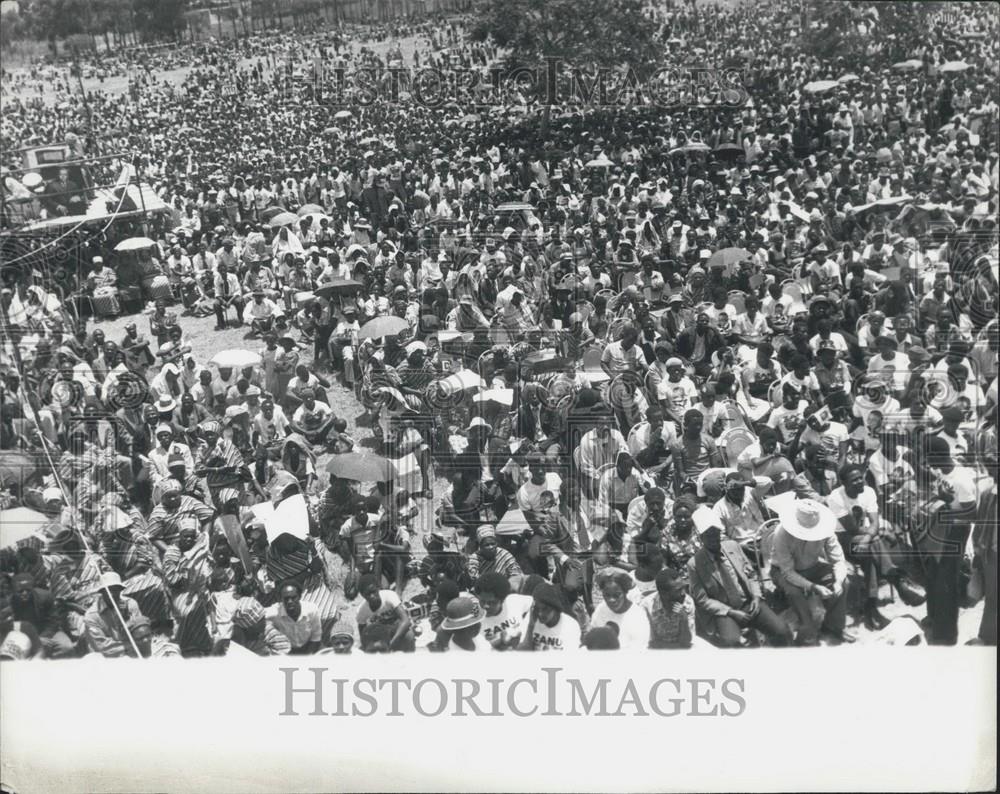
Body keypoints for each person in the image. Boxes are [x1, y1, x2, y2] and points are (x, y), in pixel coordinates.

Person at [688, 506, 792, 648]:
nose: (713, 538)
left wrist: (756, 597)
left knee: (781, 630)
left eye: (715, 533)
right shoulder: (695, 564)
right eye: (708, 535)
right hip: (726, 612)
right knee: (733, 642)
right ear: (701, 538)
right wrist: (731, 612)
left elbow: (751, 575)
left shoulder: (733, 546)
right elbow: (703, 599)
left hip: (749, 603)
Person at [770, 498, 854, 646]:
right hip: (782, 570)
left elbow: (838, 560)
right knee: (794, 592)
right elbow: (788, 572)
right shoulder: (781, 534)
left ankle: (833, 626)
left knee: (844, 583)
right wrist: (814, 587)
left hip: (813, 566)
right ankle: (808, 629)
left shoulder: (826, 529)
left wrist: (838, 581)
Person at [589, 568, 651, 650]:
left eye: (617, 595)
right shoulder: (601, 609)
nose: (611, 600)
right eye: (607, 595)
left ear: (625, 592)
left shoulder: (638, 616)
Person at [355, 574, 414, 652]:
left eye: (373, 591)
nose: (372, 596)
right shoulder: (362, 610)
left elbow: (405, 621)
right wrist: (365, 644)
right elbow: (362, 630)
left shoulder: (389, 596)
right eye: (368, 594)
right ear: (362, 595)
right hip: (379, 634)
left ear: (378, 588)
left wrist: (392, 642)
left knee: (409, 635)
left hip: (396, 629)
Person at [641, 568, 696, 649]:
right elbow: (649, 641)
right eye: (678, 590)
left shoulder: (687, 602)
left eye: (684, 588)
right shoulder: (647, 605)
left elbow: (686, 642)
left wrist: (684, 619)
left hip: (681, 648)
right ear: (664, 594)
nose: (683, 593)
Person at [518, 582, 581, 651]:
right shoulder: (532, 618)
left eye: (545, 609)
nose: (540, 613)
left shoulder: (571, 626)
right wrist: (530, 627)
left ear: (555, 608)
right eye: (537, 608)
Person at [264, 582, 322, 655]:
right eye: (286, 598)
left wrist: (308, 657)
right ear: (280, 599)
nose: (290, 601)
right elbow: (258, 615)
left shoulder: (311, 610)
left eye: (293, 597)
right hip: (288, 652)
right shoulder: (274, 612)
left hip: (309, 646)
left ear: (300, 596)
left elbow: (316, 636)